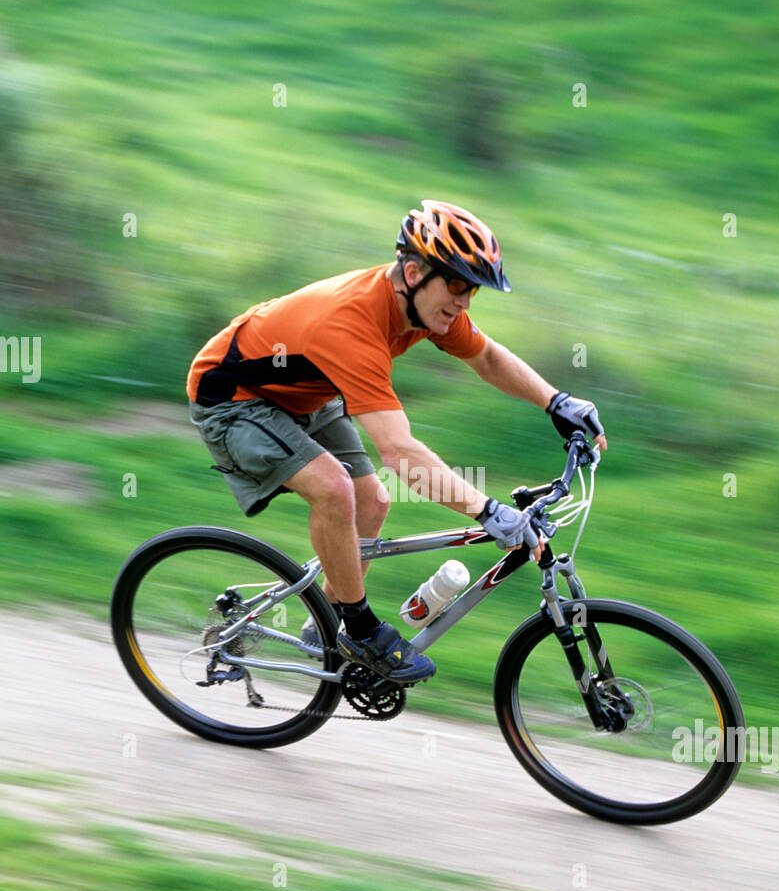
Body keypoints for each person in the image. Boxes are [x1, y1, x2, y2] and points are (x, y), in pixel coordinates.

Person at [186, 199, 607, 685]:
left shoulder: (424, 309)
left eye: (471, 289)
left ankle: (323, 626)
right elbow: (399, 452)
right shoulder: (352, 323)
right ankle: (357, 628)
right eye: (455, 284)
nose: (464, 301)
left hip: (304, 392)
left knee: (374, 501)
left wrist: (558, 402)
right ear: (412, 271)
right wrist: (486, 511)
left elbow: (487, 357)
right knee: (334, 488)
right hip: (234, 398)